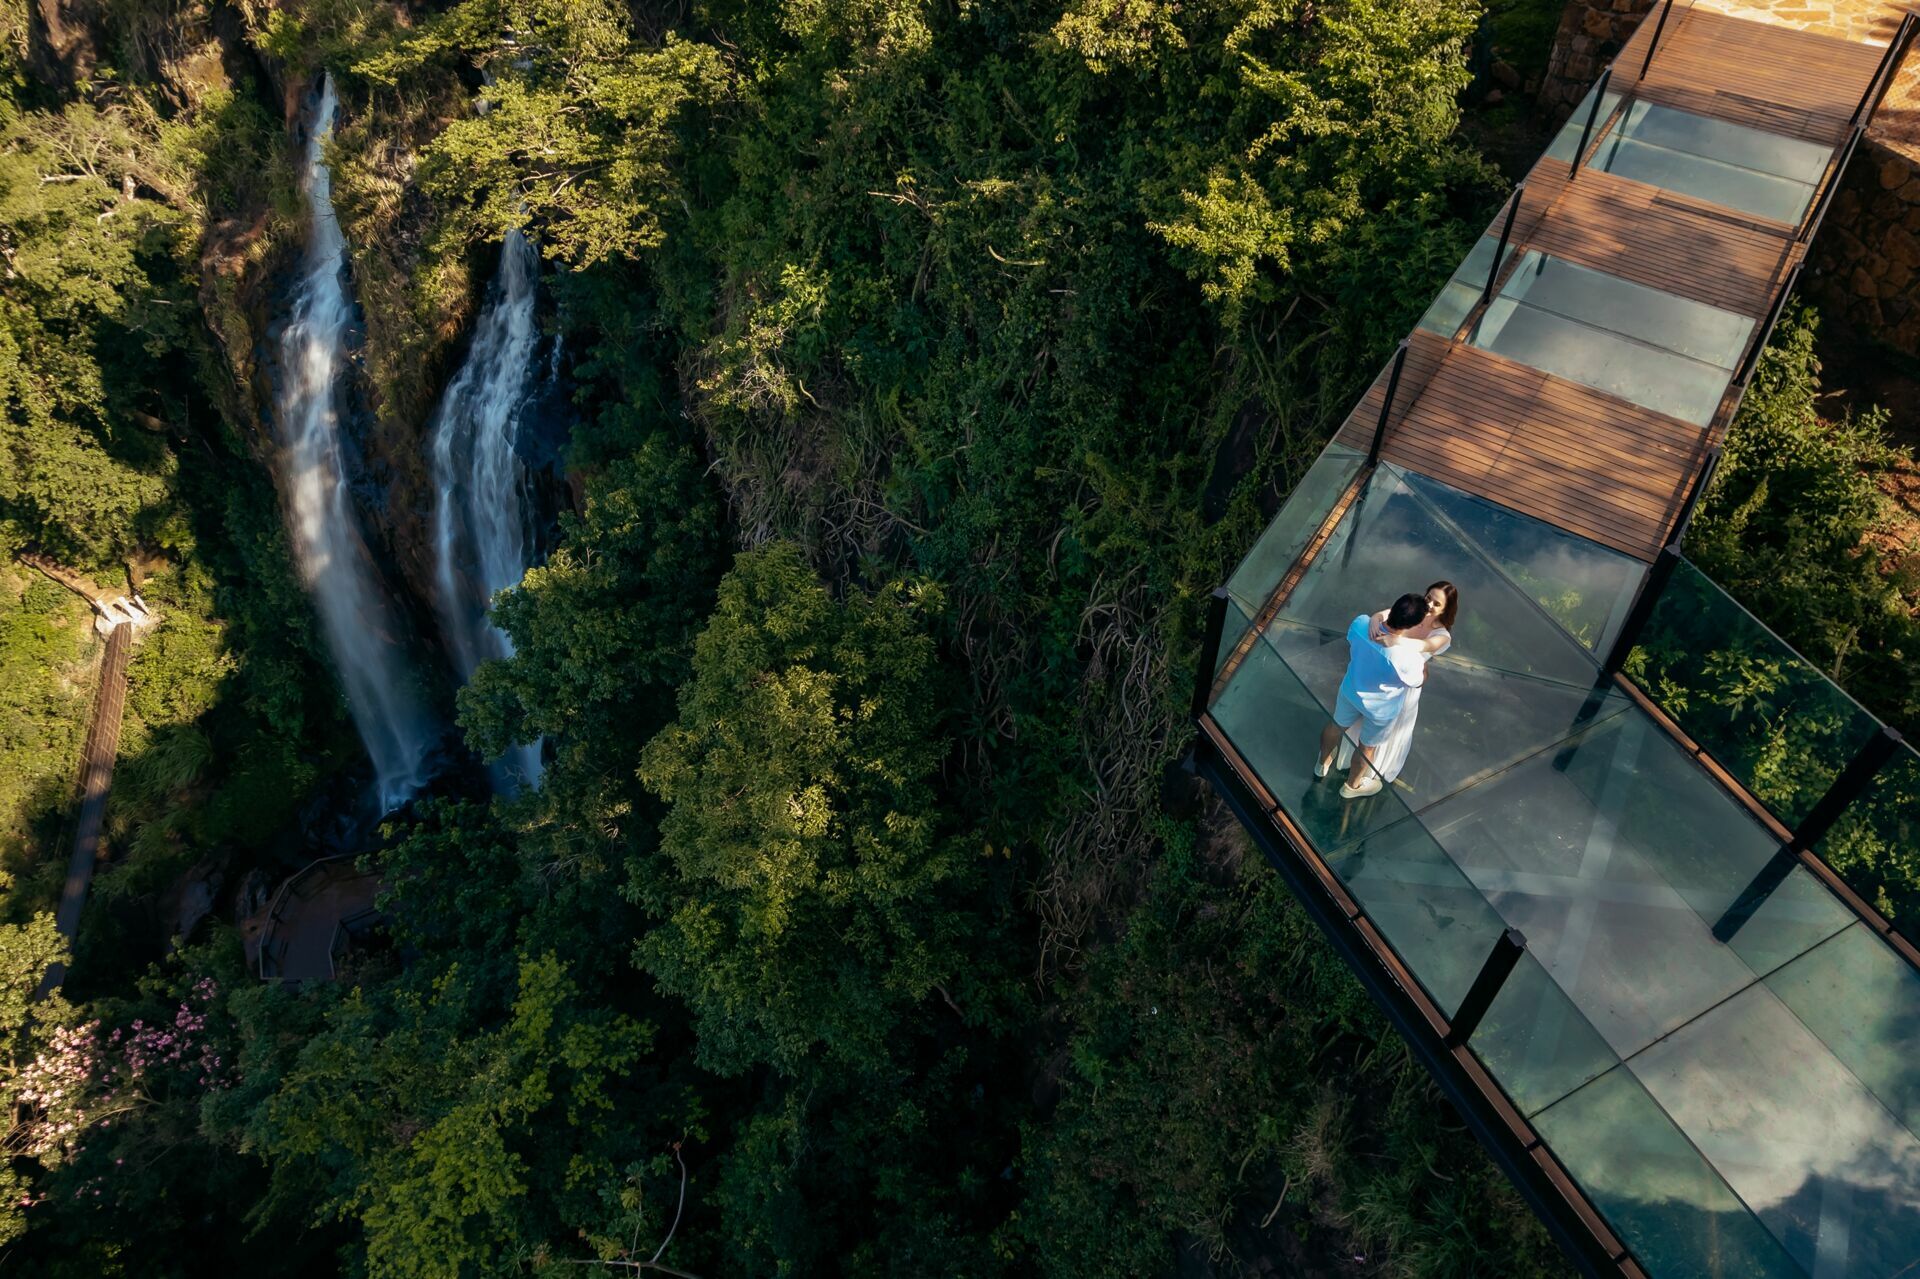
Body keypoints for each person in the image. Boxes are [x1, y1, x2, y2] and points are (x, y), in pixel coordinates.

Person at [1336, 581, 1458, 788]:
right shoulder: (1413, 611)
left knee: (1382, 735)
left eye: (1436, 604)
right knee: (1360, 724)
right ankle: (1350, 768)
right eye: (1428, 598)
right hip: (1379, 677)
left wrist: (1396, 640)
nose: (1429, 605)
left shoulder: (1442, 636)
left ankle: (1371, 772)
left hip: (1403, 686)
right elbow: (1382, 614)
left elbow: (1426, 645)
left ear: (1446, 609)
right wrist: (1375, 620)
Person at [1316, 592, 1432, 799]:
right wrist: (1422, 664)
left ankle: (1322, 764)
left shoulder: (1362, 624)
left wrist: (1376, 617)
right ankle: (1352, 786)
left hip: (1351, 691)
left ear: (1393, 607)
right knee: (1367, 748)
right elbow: (1419, 681)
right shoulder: (1408, 658)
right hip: (1380, 710)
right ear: (1414, 624)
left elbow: (1358, 632)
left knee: (1336, 726)